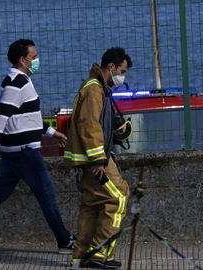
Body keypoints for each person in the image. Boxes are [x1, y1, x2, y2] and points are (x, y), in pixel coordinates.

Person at [0, 39, 74, 255]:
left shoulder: (17, 81)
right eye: (34, 57)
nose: (37, 60)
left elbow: (24, 118)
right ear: (23, 60)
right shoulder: (17, 84)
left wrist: (50, 132)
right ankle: (65, 240)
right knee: (47, 195)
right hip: (25, 153)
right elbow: (2, 117)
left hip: (14, 153)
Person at [64, 47, 133, 269]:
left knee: (92, 205)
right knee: (119, 197)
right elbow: (89, 125)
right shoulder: (95, 90)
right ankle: (100, 254)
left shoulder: (96, 88)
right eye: (122, 71)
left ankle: (80, 257)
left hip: (90, 159)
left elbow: (95, 124)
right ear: (111, 67)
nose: (123, 77)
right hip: (96, 160)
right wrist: (99, 160)